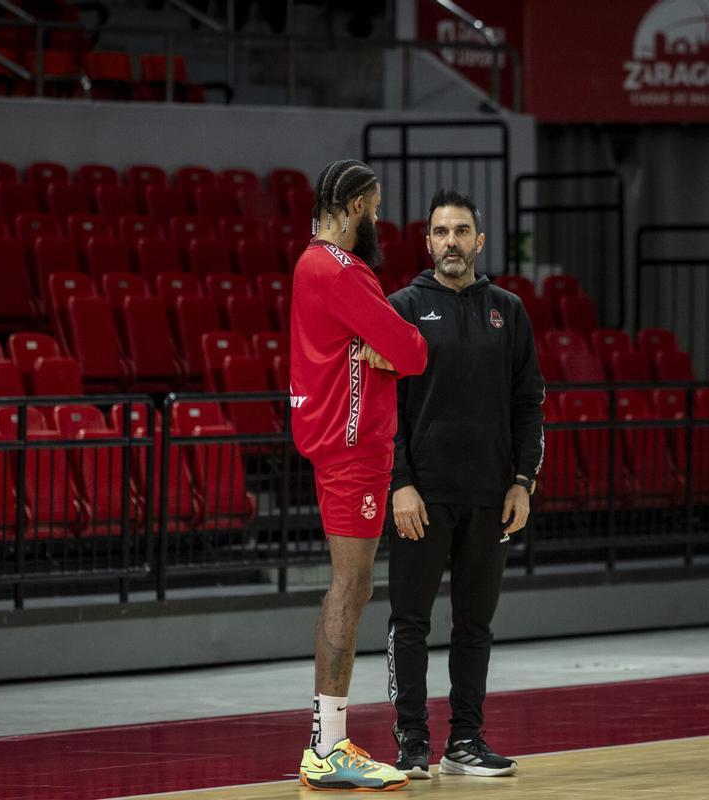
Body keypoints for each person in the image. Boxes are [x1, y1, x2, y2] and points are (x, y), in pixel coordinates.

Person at [386, 188, 545, 779]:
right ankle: (411, 743)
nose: (450, 241)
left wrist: (522, 482)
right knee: (411, 622)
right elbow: (386, 411)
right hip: (421, 499)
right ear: (427, 242)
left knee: (475, 624)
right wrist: (400, 483)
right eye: (440, 232)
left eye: (461, 231)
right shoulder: (400, 307)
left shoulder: (509, 310)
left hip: (490, 496)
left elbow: (530, 403)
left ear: (479, 240)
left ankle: (466, 742)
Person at [290, 159, 429, 791]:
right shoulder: (343, 271)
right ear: (350, 209)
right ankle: (327, 746)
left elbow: (393, 349)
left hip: (343, 447)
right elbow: (414, 350)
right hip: (352, 451)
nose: (378, 220)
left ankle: (327, 740)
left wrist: (386, 351)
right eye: (372, 207)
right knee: (349, 589)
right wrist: (392, 353)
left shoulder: (310, 264)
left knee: (351, 588)